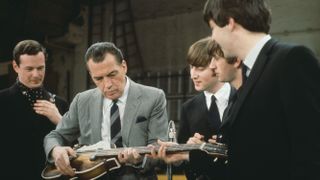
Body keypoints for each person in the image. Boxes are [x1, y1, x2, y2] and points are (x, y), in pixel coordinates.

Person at [202, 0, 320, 179]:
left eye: (213, 28)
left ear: (230, 23)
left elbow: (310, 150)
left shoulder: (292, 59)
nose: (213, 37)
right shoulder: (250, 72)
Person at [43, 42, 168, 180]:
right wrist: (56, 150)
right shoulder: (82, 101)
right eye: (99, 78)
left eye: (112, 74)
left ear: (124, 66)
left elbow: (160, 148)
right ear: (91, 76)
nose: (107, 85)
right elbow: (54, 136)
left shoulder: (154, 97)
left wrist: (140, 160)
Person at [0, 39, 69, 179]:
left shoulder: (61, 104)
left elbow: (76, 148)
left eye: (40, 68)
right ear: (15, 66)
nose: (36, 75)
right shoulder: (2, 101)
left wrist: (59, 120)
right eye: (29, 69)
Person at [177, 37, 233, 179]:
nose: (193, 75)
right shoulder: (188, 108)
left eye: (200, 68)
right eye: (191, 67)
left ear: (217, 65)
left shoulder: (242, 98)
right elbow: (182, 160)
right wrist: (189, 149)